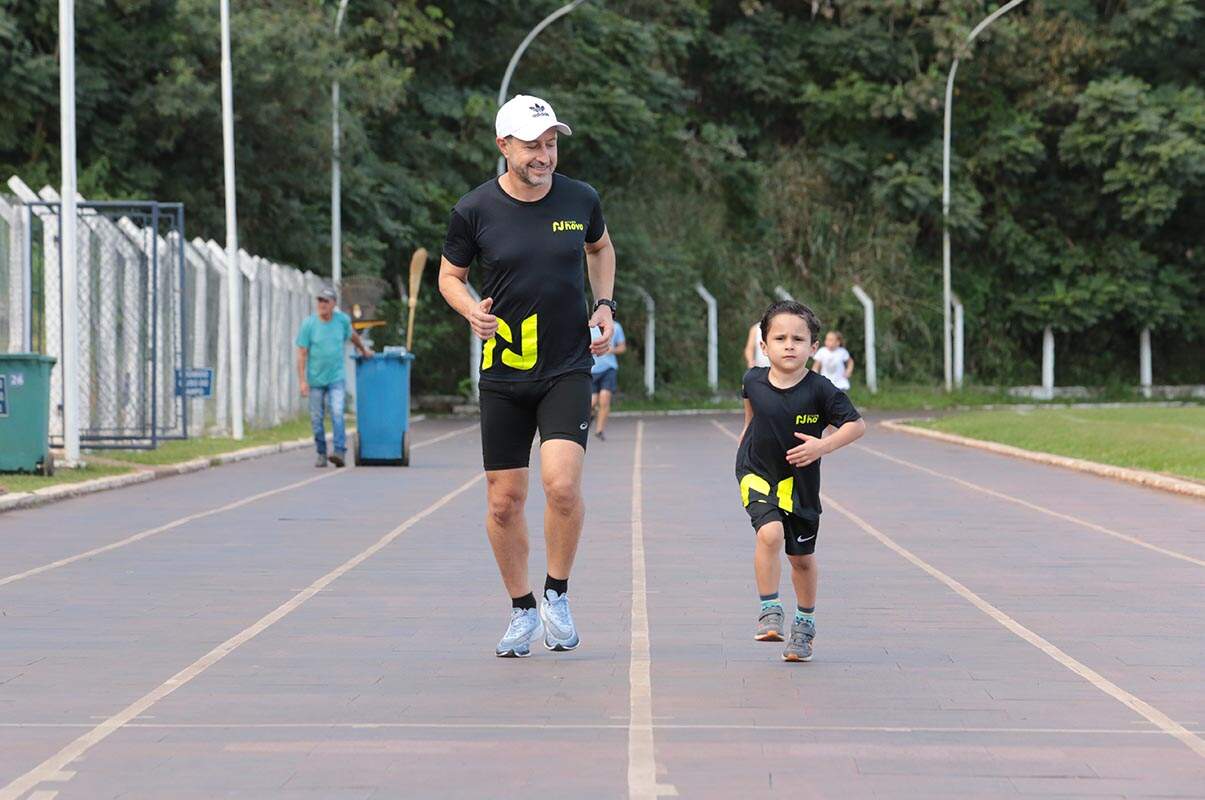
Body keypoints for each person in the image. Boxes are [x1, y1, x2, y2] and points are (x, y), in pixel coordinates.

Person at [437, 94, 617, 658]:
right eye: (534, 145)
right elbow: (449, 275)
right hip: (505, 372)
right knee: (503, 502)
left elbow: (601, 248)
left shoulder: (580, 198)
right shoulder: (474, 210)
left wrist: (605, 303)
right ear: (503, 146)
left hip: (567, 364)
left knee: (561, 486)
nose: (545, 156)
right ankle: (521, 609)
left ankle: (556, 595)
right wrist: (471, 311)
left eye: (552, 144)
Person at [736, 301, 866, 662]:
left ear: (814, 348)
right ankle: (769, 608)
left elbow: (857, 425)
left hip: (801, 486)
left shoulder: (821, 390)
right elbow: (751, 412)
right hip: (757, 472)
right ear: (764, 347)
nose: (789, 345)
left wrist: (822, 446)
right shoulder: (753, 380)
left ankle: (804, 624)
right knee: (770, 534)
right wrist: (746, 438)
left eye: (798, 338)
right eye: (779, 338)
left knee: (802, 560)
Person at [296, 286, 372, 468]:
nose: (322, 304)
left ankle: (339, 451)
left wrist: (363, 350)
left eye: (326, 301)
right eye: (320, 300)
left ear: (333, 304)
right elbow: (302, 353)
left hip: (336, 377)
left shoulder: (342, 321)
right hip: (315, 379)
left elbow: (352, 336)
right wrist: (302, 381)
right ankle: (321, 452)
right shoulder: (309, 324)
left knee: (337, 412)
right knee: (316, 417)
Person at [590, 320, 626, 441]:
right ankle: (591, 414)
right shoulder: (590, 326)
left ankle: (599, 430)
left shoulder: (616, 326)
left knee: (604, 399)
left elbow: (622, 347)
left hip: (608, 369)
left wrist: (612, 350)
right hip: (592, 370)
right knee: (592, 402)